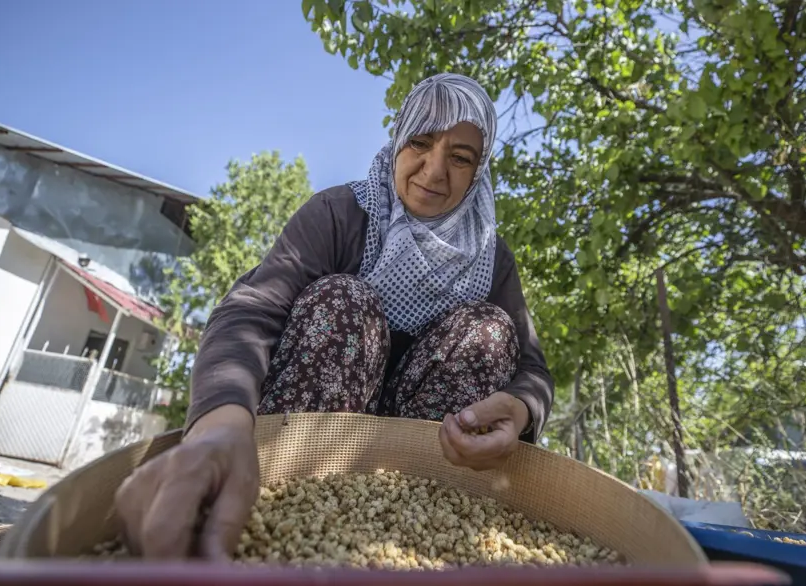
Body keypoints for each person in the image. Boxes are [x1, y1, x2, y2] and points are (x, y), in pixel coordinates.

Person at [116, 73, 555, 560]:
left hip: (426, 484)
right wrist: (220, 427)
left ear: (479, 171)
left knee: (490, 332)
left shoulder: (491, 258)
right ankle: (283, 513)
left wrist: (519, 409)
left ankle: (412, 543)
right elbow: (251, 312)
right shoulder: (339, 214)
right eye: (421, 143)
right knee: (346, 301)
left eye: (460, 158)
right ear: (397, 143)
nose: (434, 171)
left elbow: (531, 372)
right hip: (311, 454)